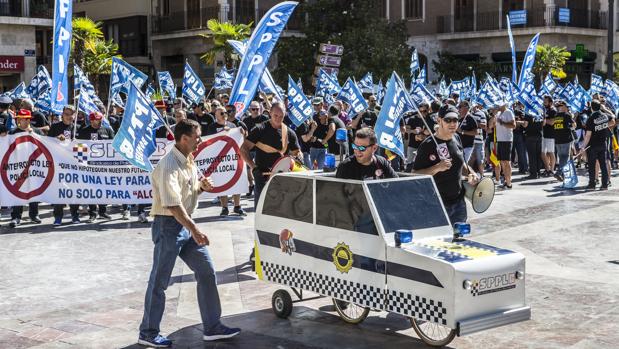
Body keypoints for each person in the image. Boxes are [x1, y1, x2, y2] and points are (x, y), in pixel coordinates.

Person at [138, 119, 240, 347]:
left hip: (185, 225)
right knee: (159, 281)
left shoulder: (189, 161)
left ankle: (212, 326)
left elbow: (186, 192)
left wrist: (200, 187)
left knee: (206, 271)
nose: (200, 141)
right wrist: (194, 229)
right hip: (169, 226)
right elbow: (173, 204)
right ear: (184, 139)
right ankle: (147, 332)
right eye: (197, 137)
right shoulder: (168, 166)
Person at [413, 105, 480, 225]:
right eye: (448, 120)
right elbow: (414, 174)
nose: (452, 123)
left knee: (459, 241)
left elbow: (462, 163)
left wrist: (472, 173)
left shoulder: (456, 138)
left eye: (455, 120)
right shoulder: (428, 145)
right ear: (439, 120)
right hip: (437, 204)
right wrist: (437, 167)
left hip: (459, 202)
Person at [240, 101, 301, 209]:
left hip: (282, 176)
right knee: (262, 209)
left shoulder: (289, 132)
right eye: (275, 115)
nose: (278, 118)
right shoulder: (260, 129)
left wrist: (298, 157)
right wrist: (253, 167)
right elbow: (243, 149)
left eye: (281, 116)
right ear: (270, 113)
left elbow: (296, 151)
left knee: (282, 209)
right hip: (262, 175)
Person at [206, 107, 246, 217]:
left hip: (232, 158)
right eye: (222, 113)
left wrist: (241, 132)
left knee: (237, 181)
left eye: (226, 112)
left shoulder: (233, 125)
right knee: (222, 181)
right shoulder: (212, 127)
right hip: (219, 159)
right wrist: (223, 133)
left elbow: (240, 139)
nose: (225, 114)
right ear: (216, 116)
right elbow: (210, 141)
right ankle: (224, 208)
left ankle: (237, 206)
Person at [6, 109, 42, 227]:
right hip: (17, 168)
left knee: (34, 190)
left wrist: (34, 135)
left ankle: (34, 214)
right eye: (20, 118)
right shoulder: (11, 133)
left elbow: (45, 145)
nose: (23, 121)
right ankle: (16, 216)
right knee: (18, 192)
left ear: (29, 120)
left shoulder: (36, 131)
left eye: (25, 119)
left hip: (33, 168)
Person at [77, 111, 115, 221]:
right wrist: (81, 163)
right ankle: (92, 213)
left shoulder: (107, 130)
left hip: (104, 166)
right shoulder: (84, 131)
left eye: (100, 120)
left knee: (103, 188)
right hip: (89, 166)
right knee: (91, 189)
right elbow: (79, 147)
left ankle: (103, 211)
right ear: (91, 120)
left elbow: (112, 145)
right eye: (96, 120)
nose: (98, 122)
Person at [48, 105, 81, 225]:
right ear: (62, 115)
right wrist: (56, 139)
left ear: (75, 115)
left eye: (71, 114)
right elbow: (48, 143)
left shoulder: (77, 127)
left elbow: (84, 147)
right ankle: (58, 217)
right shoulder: (55, 127)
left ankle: (75, 215)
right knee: (59, 191)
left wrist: (77, 142)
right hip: (59, 164)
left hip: (74, 165)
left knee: (74, 191)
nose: (68, 116)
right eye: (66, 114)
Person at [579, 100, 610, 189]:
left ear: (591, 108)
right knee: (603, 165)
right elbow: (613, 119)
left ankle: (592, 184)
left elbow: (588, 135)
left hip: (593, 146)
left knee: (592, 166)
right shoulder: (605, 116)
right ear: (600, 107)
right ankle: (605, 184)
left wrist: (583, 146)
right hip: (603, 144)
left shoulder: (591, 118)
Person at [495, 102, 516, 189]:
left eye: (498, 104)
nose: (497, 106)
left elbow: (513, 125)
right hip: (500, 140)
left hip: (507, 140)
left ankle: (509, 183)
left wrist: (502, 122)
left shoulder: (509, 112)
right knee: (502, 162)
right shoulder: (498, 113)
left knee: (507, 162)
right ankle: (506, 181)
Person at [553, 100, 576, 181]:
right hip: (566, 139)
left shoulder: (555, 116)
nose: (567, 108)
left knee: (561, 158)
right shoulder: (566, 115)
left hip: (557, 140)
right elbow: (574, 125)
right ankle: (559, 172)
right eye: (565, 106)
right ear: (562, 107)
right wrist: (570, 127)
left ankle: (562, 175)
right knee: (565, 157)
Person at [541, 96, 557, 177]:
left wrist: (544, 120)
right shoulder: (544, 110)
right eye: (544, 101)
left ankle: (552, 170)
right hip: (544, 134)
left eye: (546, 101)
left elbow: (552, 122)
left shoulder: (553, 110)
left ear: (550, 102)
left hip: (551, 135)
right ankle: (547, 169)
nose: (544, 103)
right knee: (543, 153)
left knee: (551, 152)